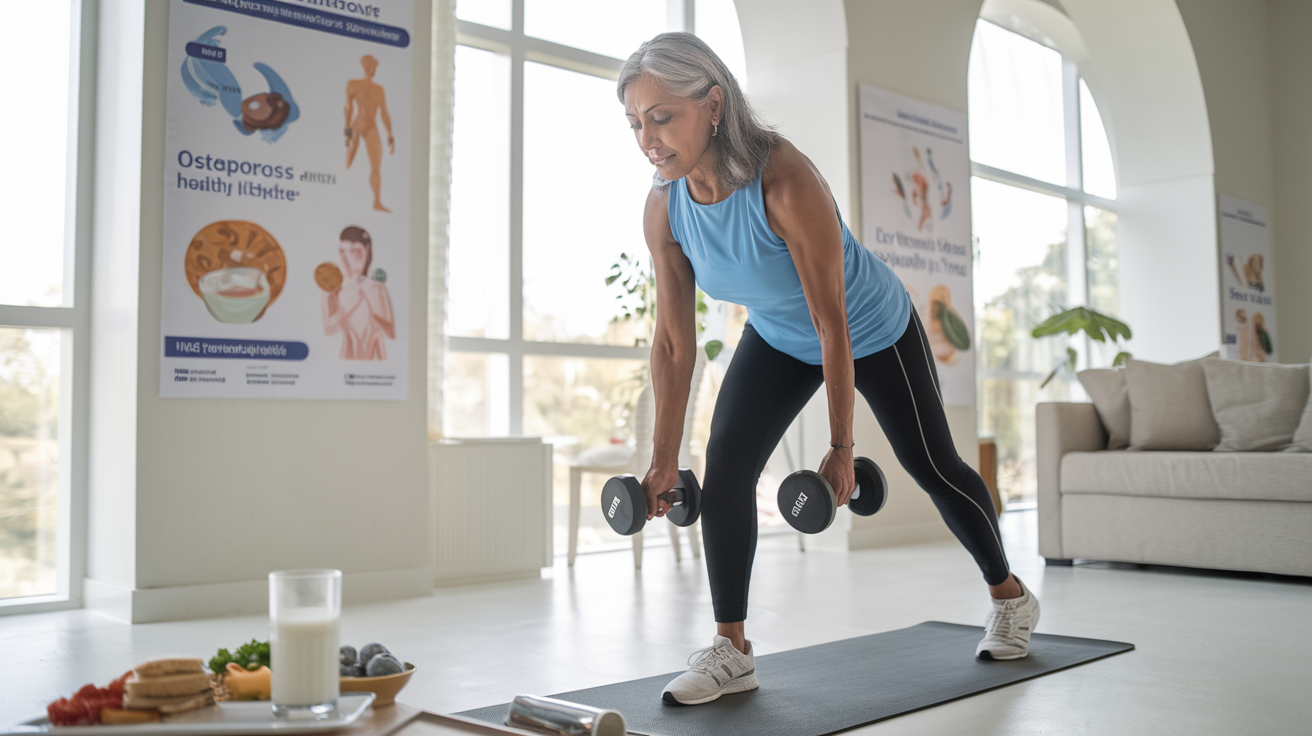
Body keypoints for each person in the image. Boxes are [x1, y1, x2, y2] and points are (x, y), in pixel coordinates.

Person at [618, 33, 1040, 706]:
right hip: (779, 335)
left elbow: (831, 322)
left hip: (870, 326)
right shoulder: (664, 207)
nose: (647, 138)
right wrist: (662, 460)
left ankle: (1009, 595)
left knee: (931, 463)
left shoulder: (784, 181)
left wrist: (842, 448)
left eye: (662, 117)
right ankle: (732, 648)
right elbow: (673, 344)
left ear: (714, 104)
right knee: (726, 464)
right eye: (636, 122)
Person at [322, 226, 395, 360]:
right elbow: (328, 328)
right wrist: (350, 302)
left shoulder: (376, 287)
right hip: (345, 360)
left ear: (367, 251)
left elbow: (390, 331)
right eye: (342, 252)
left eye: (356, 252)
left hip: (373, 364)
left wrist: (368, 292)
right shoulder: (333, 289)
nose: (348, 258)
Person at [345, 55, 395, 213]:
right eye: (372, 65)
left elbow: (384, 113)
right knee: (349, 156)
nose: (374, 69)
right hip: (358, 123)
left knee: (376, 166)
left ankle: (377, 201)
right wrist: (347, 129)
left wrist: (390, 134)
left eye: (375, 66)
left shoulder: (378, 89)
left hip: (371, 126)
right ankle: (342, 187)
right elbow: (348, 107)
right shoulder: (353, 84)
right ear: (366, 66)